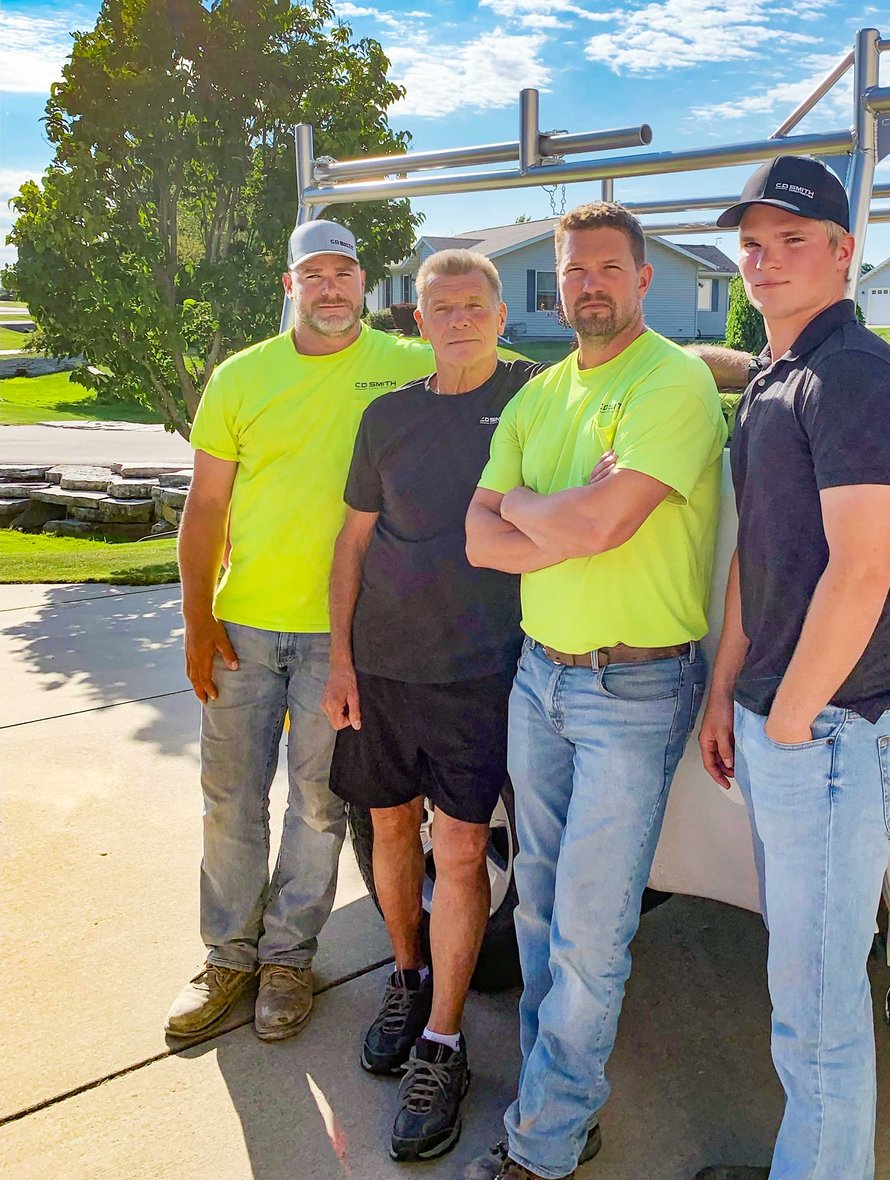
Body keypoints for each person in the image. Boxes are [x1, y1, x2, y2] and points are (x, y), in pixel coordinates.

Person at [463, 201, 726, 1180]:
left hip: (632, 688)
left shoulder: (674, 382)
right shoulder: (540, 397)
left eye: (607, 268)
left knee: (587, 928)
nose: (587, 286)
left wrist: (540, 512)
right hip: (540, 678)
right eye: (572, 271)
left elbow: (604, 529)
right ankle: (553, 1096)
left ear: (644, 277)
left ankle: (543, 1142)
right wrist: (552, 510)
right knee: (535, 907)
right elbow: (477, 536)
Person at [693, 157, 890, 1180]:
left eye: (794, 239)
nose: (766, 260)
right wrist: (727, 691)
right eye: (752, 243)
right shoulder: (776, 378)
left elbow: (863, 565)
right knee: (800, 985)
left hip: (836, 730)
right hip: (787, 719)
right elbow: (763, 555)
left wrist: (788, 721)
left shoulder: (855, 375)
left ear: (844, 251)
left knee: (819, 1000)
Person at [166, 220, 435, 1043]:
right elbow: (206, 505)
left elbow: (539, 377)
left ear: (366, 285)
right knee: (230, 801)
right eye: (313, 273)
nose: (330, 287)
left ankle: (288, 960)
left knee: (319, 807)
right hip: (246, 626)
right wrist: (196, 617)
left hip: (343, 635)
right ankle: (227, 959)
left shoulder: (407, 367)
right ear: (290, 286)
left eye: (344, 272)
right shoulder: (241, 378)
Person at [322, 249, 547, 1162]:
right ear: (418, 320)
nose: (457, 319)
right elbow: (351, 544)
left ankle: (444, 1044)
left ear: (501, 314)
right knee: (387, 829)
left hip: (478, 673)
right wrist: (339, 660)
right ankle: (408, 978)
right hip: (380, 668)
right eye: (439, 307)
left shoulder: (537, 398)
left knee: (459, 849)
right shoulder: (387, 416)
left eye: (473, 304)